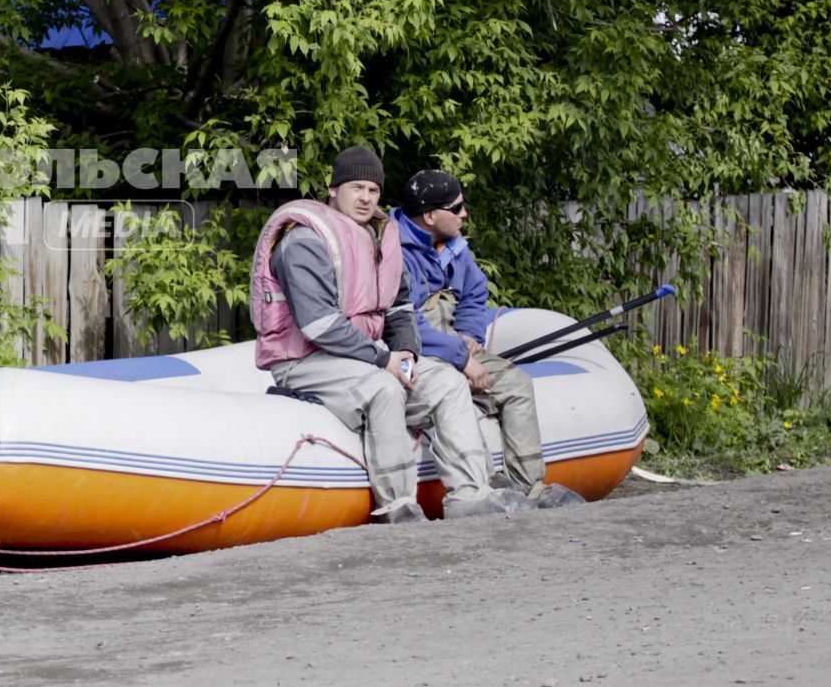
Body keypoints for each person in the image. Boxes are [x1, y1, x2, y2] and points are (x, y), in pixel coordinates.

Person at [250, 145, 529, 523]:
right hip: (304, 360)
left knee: (447, 381)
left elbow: (399, 307)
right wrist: (384, 361)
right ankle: (398, 507)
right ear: (333, 189)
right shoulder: (304, 240)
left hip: (365, 355)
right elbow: (319, 326)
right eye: (356, 187)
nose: (366, 197)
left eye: (374, 190)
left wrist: (406, 354)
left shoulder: (380, 234)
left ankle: (469, 496)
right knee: (384, 388)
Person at [394, 170, 585, 509]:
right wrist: (461, 357)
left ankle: (529, 486)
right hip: (417, 355)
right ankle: (476, 489)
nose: (464, 214)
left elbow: (475, 291)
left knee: (517, 384)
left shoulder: (453, 247)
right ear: (429, 215)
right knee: (452, 389)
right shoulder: (395, 252)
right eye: (457, 207)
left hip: (453, 346)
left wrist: (469, 335)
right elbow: (406, 324)